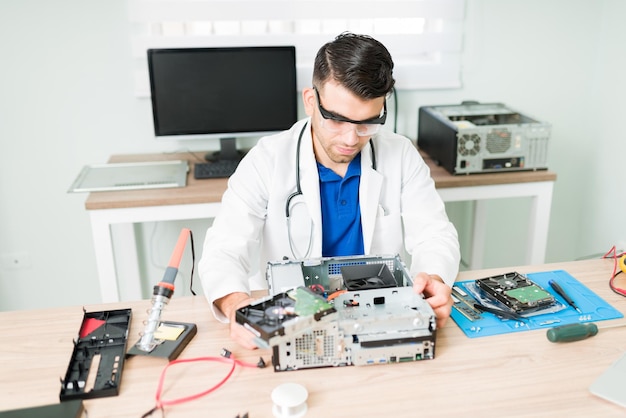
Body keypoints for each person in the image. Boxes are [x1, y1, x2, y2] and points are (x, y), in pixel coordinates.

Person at [199, 32, 460, 349]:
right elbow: (224, 248)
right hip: (293, 326)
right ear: (311, 101)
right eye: (337, 120)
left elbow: (435, 233)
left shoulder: (400, 154)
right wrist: (235, 304)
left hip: (378, 321)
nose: (351, 139)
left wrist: (433, 279)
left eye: (367, 123)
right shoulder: (267, 160)